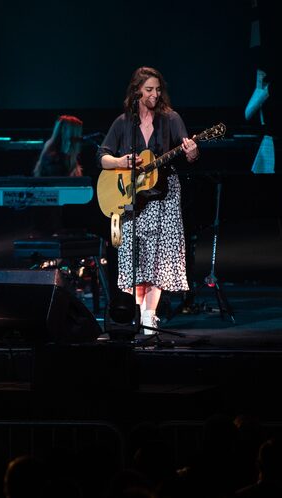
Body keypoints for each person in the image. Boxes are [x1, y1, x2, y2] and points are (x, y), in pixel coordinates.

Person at [97, 66, 199, 332]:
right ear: (137, 91)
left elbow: (190, 157)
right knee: (134, 256)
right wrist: (120, 161)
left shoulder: (171, 119)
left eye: (158, 89)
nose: (155, 94)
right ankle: (141, 315)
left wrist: (192, 152)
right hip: (132, 199)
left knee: (157, 257)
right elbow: (103, 157)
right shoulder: (123, 122)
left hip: (163, 196)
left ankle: (149, 317)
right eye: (149, 89)